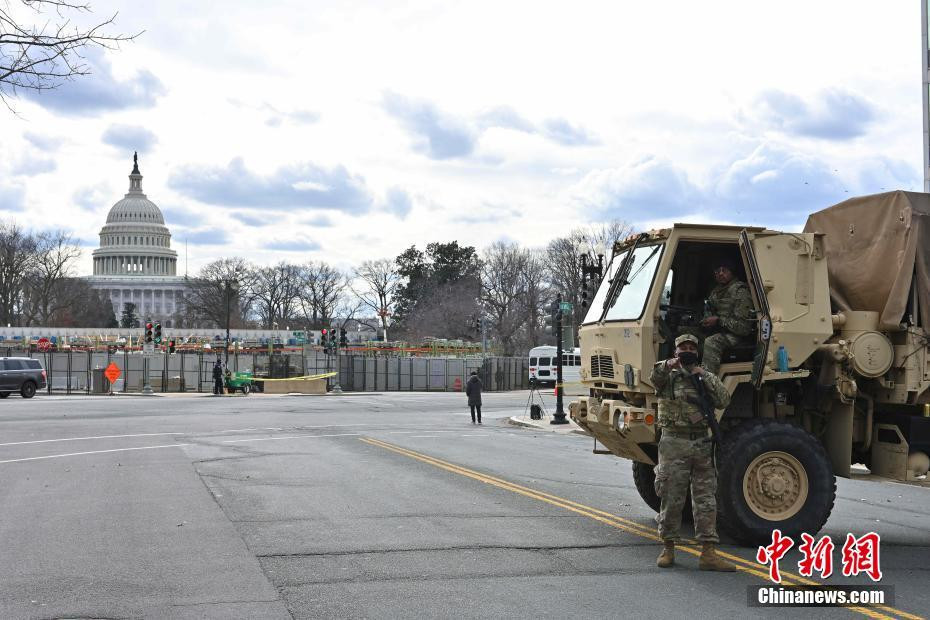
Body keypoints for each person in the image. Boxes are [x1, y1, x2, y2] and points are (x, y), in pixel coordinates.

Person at [649, 334, 735, 571]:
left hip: (701, 443)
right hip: (674, 442)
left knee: (706, 499)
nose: (687, 351)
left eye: (691, 348)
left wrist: (704, 375)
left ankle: (708, 553)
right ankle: (668, 548)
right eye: (682, 348)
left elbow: (724, 400)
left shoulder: (704, 376)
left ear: (697, 353)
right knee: (671, 496)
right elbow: (654, 378)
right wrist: (670, 364)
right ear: (675, 351)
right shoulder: (667, 376)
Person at [699, 259, 755, 375]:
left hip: (736, 335)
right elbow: (709, 310)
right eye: (717, 271)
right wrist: (705, 320)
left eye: (724, 270)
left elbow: (743, 328)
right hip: (719, 330)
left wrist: (718, 321)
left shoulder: (740, 292)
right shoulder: (716, 292)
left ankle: (709, 380)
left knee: (711, 342)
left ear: (731, 272)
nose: (720, 273)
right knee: (686, 334)